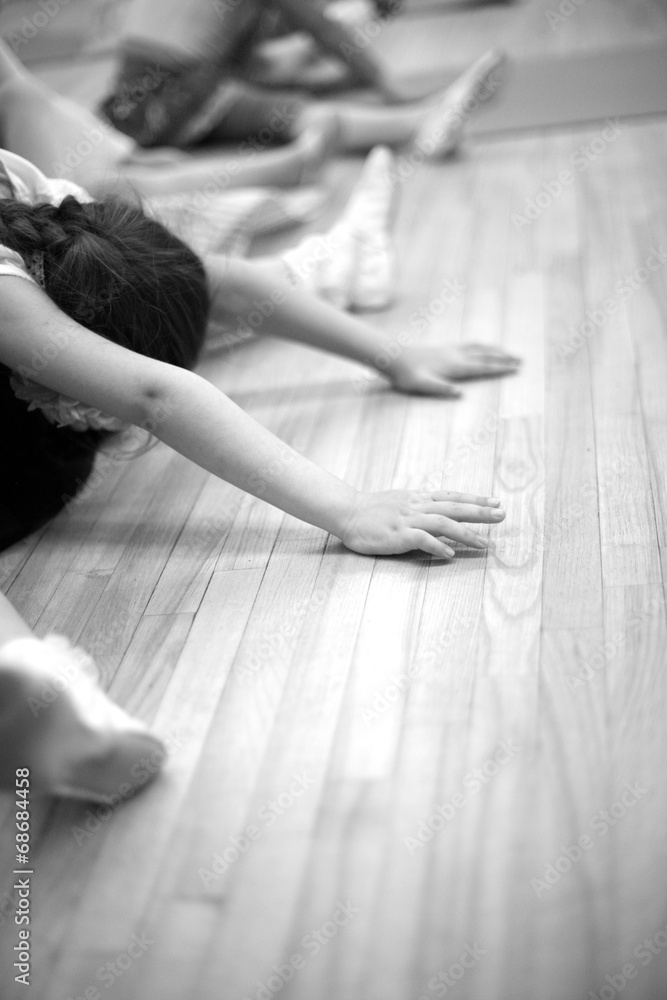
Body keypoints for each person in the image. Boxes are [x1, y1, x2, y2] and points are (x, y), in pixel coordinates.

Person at [0, 42, 518, 806]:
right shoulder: (17, 284)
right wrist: (347, 508)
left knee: (161, 292)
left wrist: (393, 355)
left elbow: (213, 287)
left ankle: (328, 265)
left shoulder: (35, 198)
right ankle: (37, 689)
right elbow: (155, 395)